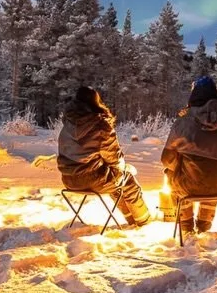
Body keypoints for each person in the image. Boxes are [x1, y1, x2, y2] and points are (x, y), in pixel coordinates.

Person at [160, 75, 217, 237]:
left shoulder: (183, 123)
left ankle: (186, 225)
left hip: (189, 186)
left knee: (172, 174)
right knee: (214, 173)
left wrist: (182, 167)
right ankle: (204, 223)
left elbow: (167, 160)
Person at [56, 86, 150, 227]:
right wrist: (125, 168)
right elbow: (113, 158)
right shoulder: (100, 125)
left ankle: (131, 219)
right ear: (96, 102)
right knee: (126, 179)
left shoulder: (67, 126)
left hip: (69, 179)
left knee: (114, 179)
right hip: (93, 180)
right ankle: (144, 221)